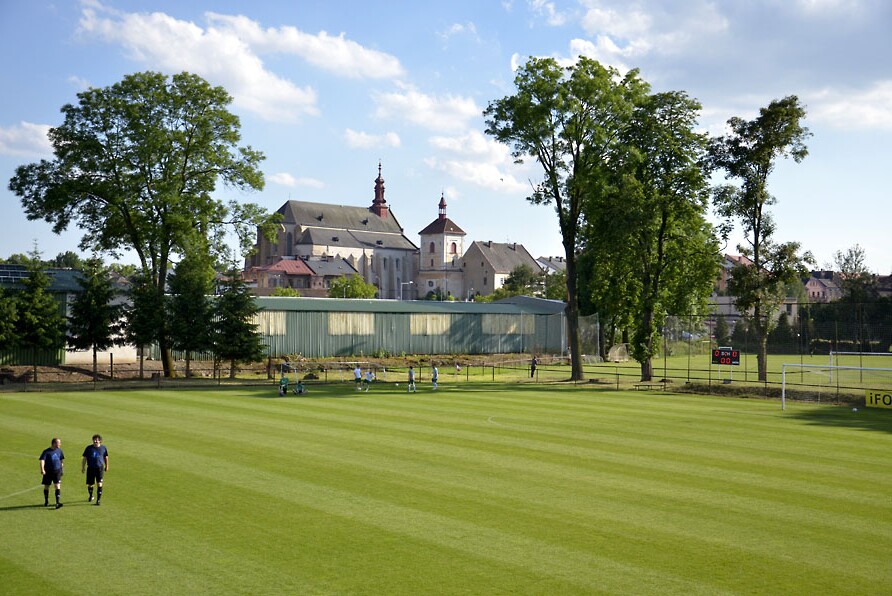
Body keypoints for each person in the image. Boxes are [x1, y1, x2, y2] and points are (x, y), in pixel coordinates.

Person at [81, 434, 108, 506]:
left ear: (100, 441)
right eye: (94, 440)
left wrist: (107, 466)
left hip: (99, 468)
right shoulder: (89, 448)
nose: (95, 441)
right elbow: (84, 458)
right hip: (90, 468)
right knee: (90, 484)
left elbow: (106, 457)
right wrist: (83, 467)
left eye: (97, 440)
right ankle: (91, 496)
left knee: (99, 483)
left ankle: (98, 500)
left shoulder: (103, 448)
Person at [39, 438, 65, 509]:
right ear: (54, 443)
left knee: (57, 486)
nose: (60, 444)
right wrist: (42, 469)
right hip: (48, 471)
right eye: (59, 443)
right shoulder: (46, 452)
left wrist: (62, 469)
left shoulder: (59, 450)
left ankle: (57, 502)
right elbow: (42, 460)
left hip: (57, 471)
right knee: (47, 486)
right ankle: (46, 501)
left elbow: (61, 460)